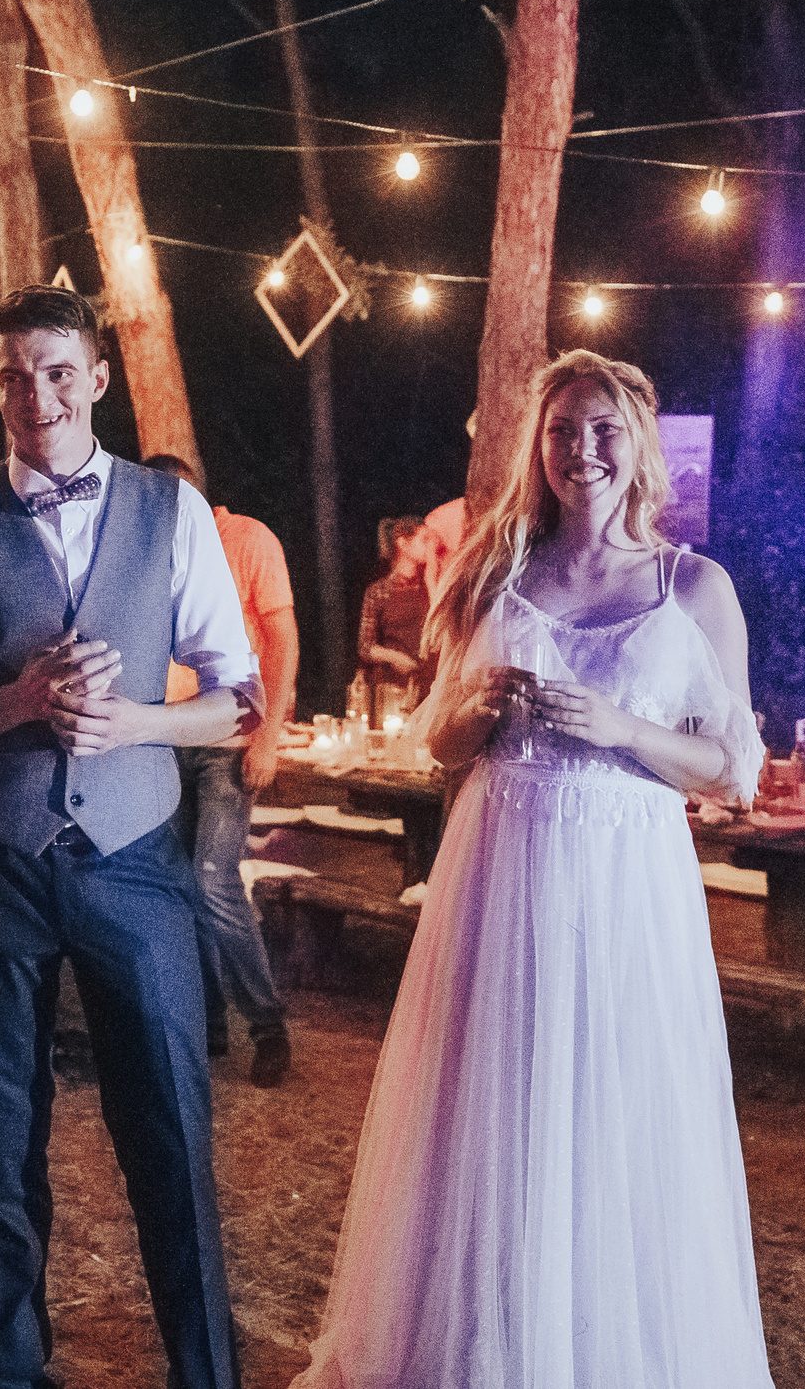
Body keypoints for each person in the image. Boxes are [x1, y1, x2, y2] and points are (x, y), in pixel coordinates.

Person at [298, 350, 772, 1389]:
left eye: (602, 430)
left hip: (626, 880)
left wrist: (619, 726)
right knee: (490, 1102)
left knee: (613, 1105)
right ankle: (480, 1347)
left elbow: (732, 768)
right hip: (502, 863)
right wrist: (473, 711)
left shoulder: (693, 588)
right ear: (536, 447)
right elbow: (435, 739)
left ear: (638, 445)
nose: (580, 450)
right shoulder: (493, 572)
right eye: (561, 430)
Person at [0, 285, 258, 1389]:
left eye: (55, 371)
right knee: (1, 1146)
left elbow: (239, 700)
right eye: (12, 376)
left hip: (136, 861)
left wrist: (135, 720)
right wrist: (15, 701)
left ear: (96, 377)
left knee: (171, 1134)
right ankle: (14, 1371)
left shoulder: (172, 512)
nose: (36, 396)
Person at [146, 453, 299, 1087]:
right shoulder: (152, 553)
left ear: (195, 502)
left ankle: (267, 1026)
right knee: (176, 885)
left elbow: (283, 641)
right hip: (166, 737)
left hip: (230, 738)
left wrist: (270, 735)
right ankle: (206, 1025)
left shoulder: (248, 540)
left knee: (212, 879)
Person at [356, 515, 436, 693]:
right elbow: (365, 646)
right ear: (403, 544)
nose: (430, 546)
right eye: (424, 540)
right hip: (394, 689)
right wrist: (396, 657)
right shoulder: (379, 591)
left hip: (429, 684)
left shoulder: (429, 585)